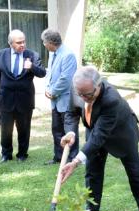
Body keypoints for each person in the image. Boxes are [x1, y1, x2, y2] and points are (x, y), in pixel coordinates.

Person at [60, 67, 139, 211]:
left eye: (88, 95)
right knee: (92, 173)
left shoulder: (111, 99)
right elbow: (71, 113)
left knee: (135, 173)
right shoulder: (78, 87)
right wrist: (70, 131)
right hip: (94, 129)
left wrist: (75, 161)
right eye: (80, 94)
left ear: (99, 85)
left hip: (121, 134)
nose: (83, 98)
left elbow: (99, 136)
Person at [0, 29, 46, 162]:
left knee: (24, 129)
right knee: (6, 130)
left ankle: (22, 154)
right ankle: (6, 154)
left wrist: (32, 66)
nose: (22, 44)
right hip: (6, 99)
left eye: (24, 41)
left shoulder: (32, 55)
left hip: (25, 100)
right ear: (10, 43)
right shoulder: (1, 55)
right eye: (18, 42)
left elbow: (42, 73)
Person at [41, 28, 79, 165]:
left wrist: (53, 92)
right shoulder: (53, 53)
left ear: (51, 42)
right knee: (56, 130)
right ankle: (58, 157)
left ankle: (72, 158)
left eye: (45, 42)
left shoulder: (68, 55)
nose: (44, 45)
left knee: (69, 131)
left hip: (66, 100)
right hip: (55, 100)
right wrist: (47, 88)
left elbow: (66, 79)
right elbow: (50, 73)